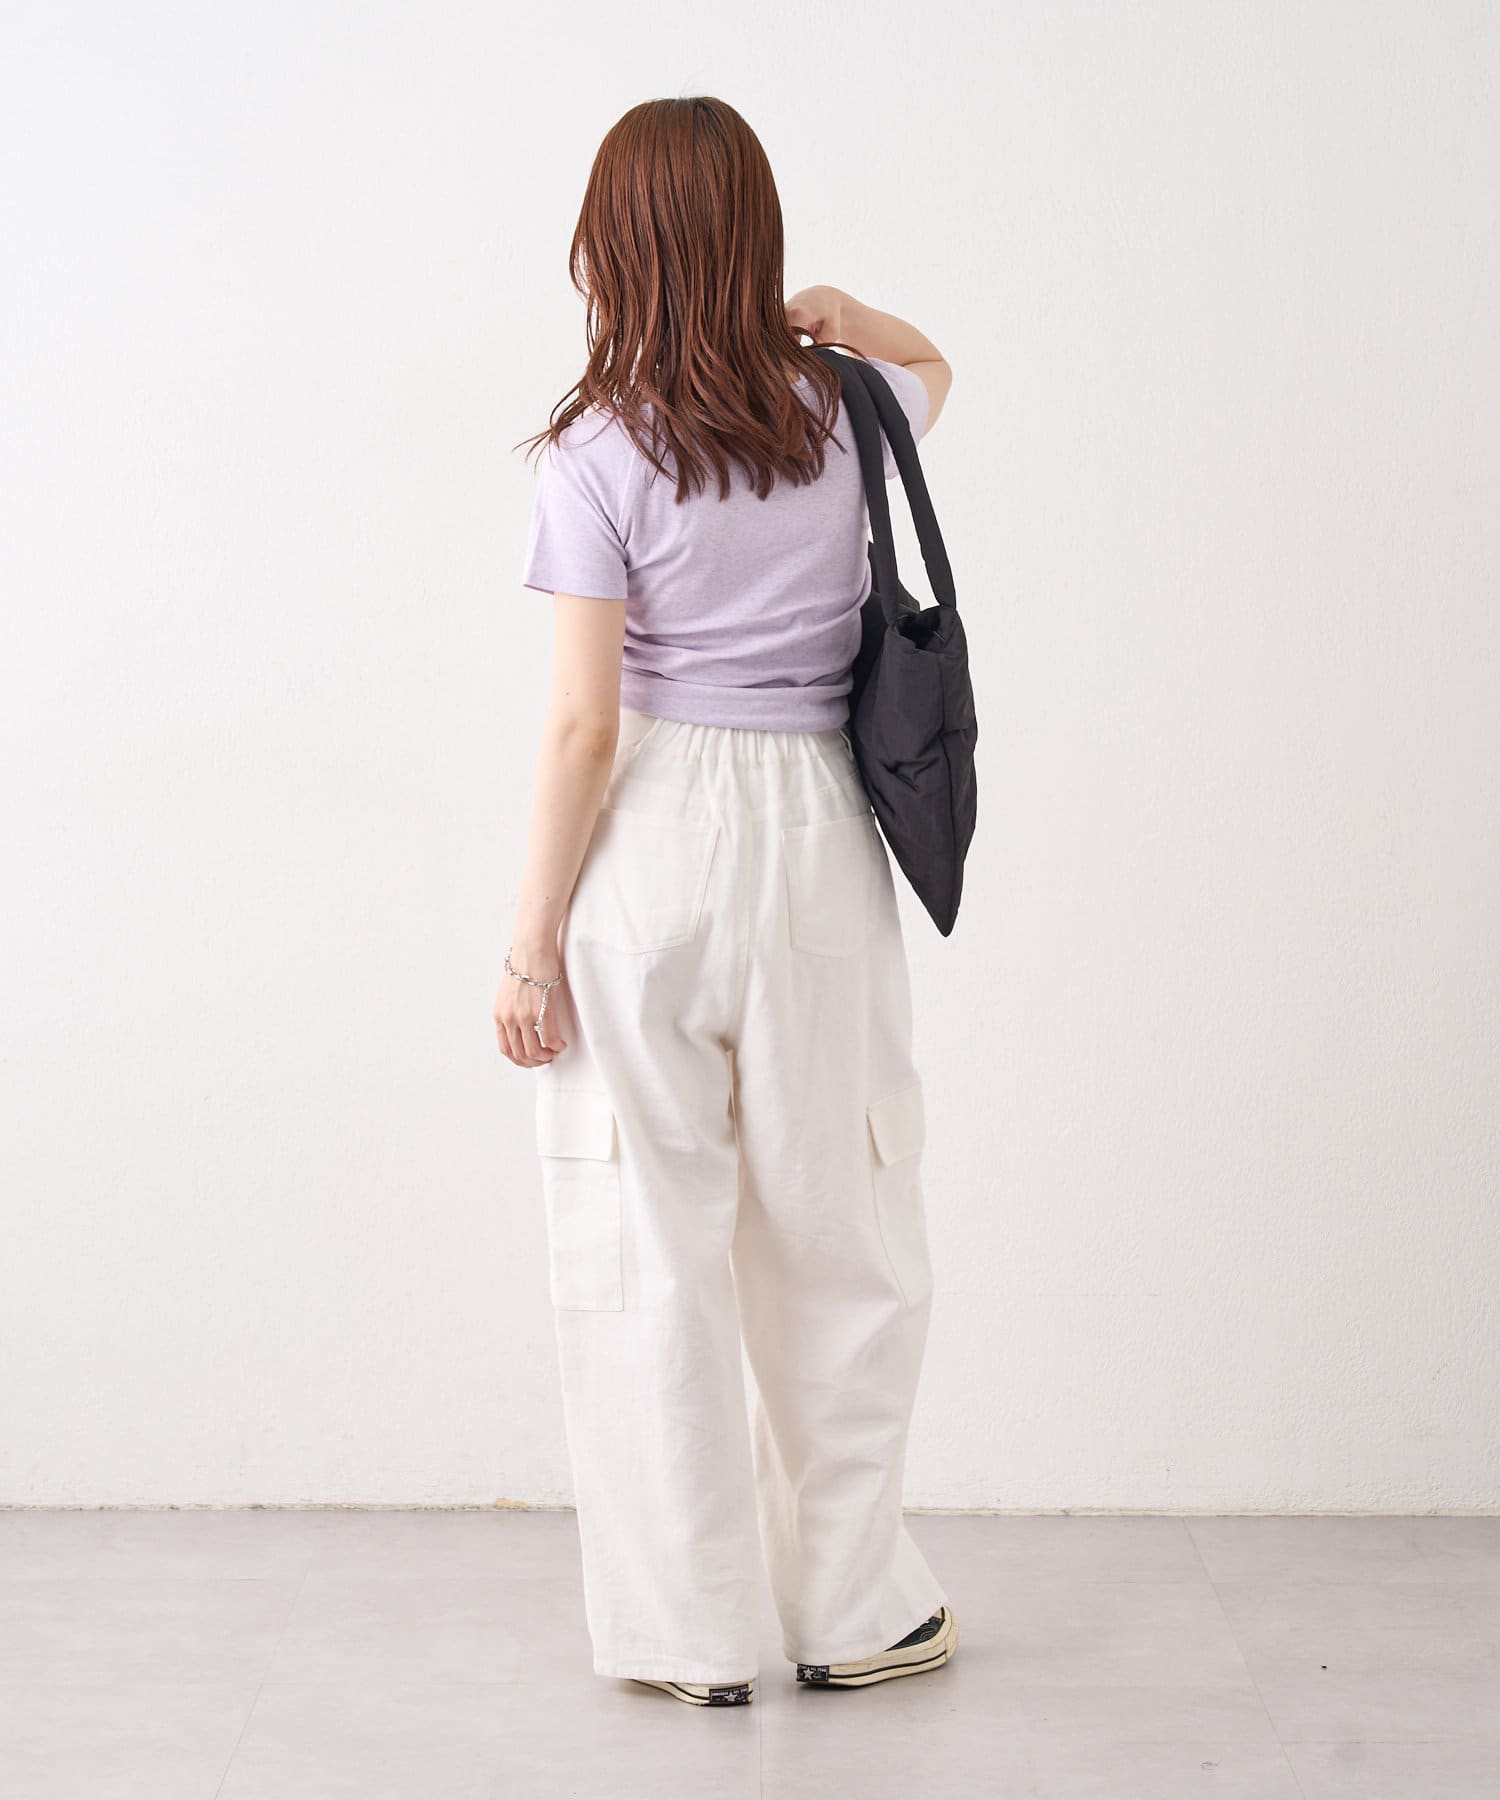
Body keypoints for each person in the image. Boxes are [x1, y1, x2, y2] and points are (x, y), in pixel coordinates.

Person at [494, 95, 958, 1707]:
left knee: (648, 1242)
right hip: (822, 836)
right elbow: (940, 364)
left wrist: (529, 942)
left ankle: (683, 1637)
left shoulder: (591, 452)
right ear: (754, 234)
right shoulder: (851, 407)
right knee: (840, 1233)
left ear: (611, 248)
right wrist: (841, 311)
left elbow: (582, 725)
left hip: (654, 847)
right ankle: (854, 1612)